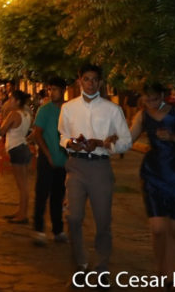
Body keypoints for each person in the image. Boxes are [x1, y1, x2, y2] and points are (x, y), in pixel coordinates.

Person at [58, 64, 132, 283]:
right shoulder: (69, 108)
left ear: (100, 82)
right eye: (86, 79)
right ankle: (80, 262)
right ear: (79, 81)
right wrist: (71, 143)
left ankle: (101, 266)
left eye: (94, 79)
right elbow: (62, 135)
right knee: (73, 217)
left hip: (100, 167)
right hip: (76, 165)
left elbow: (126, 141)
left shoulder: (112, 109)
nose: (90, 83)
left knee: (103, 220)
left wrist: (103, 144)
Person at [130, 83, 175, 286]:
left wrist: (174, 137)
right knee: (158, 228)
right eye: (147, 99)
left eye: (155, 99)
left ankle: (170, 277)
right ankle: (159, 271)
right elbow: (128, 139)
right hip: (153, 172)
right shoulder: (142, 116)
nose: (151, 103)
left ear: (162, 96)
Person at [31, 77, 68, 246]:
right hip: (46, 160)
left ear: (63, 90)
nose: (51, 92)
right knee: (42, 194)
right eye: (50, 89)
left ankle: (58, 229)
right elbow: (37, 134)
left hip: (63, 161)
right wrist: (48, 155)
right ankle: (39, 229)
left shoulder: (69, 110)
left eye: (55, 89)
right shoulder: (44, 110)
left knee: (58, 196)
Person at [0, 90, 33, 224]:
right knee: (23, 184)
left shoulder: (13, 114)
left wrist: (5, 113)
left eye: (11, 99)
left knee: (22, 185)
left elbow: (2, 130)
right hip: (23, 146)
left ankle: (22, 215)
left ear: (17, 101)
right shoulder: (26, 114)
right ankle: (21, 211)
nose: (9, 102)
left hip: (16, 148)